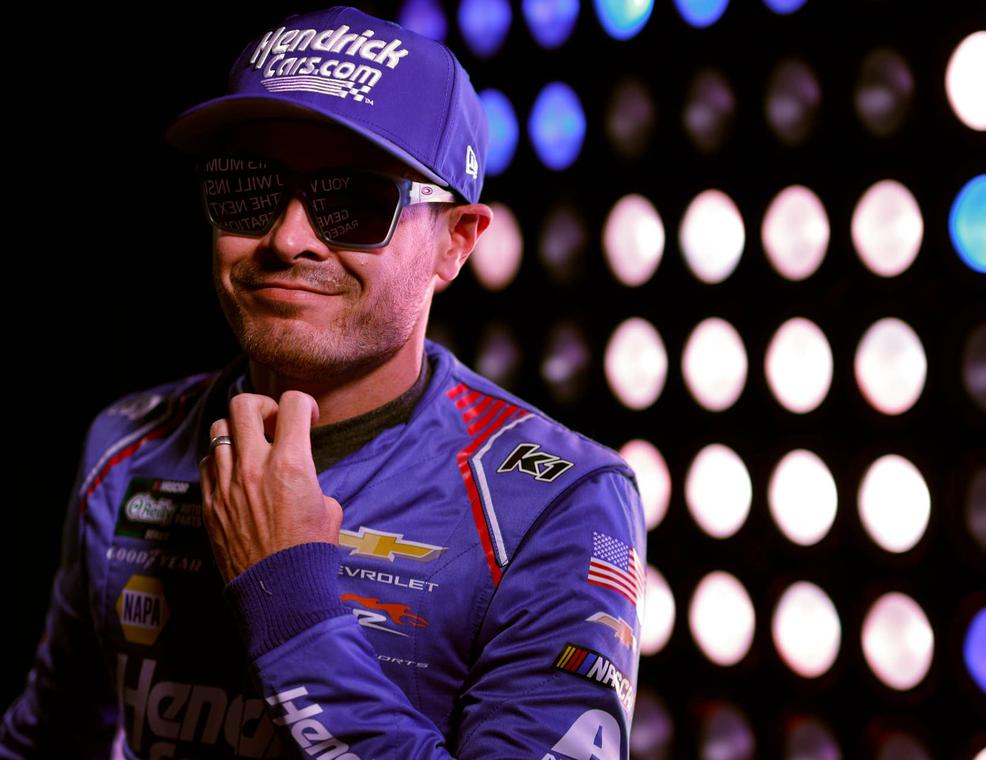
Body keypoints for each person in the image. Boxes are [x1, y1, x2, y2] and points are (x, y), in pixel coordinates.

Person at [0, 6, 646, 759]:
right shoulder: (126, 444)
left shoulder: (557, 499)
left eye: (356, 202)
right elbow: (48, 740)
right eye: (249, 187)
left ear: (456, 243)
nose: (288, 237)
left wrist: (287, 593)